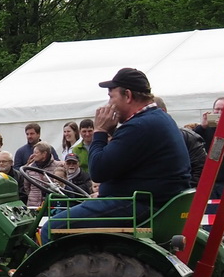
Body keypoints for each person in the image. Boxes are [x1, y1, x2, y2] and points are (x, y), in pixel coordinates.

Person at [44, 68, 190, 234]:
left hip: (139, 205)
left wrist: (99, 131)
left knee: (51, 228)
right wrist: (113, 132)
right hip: (153, 202)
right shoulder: (158, 119)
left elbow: (98, 171)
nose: (108, 105)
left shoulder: (139, 126)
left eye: (111, 97)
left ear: (127, 96)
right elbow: (124, 157)